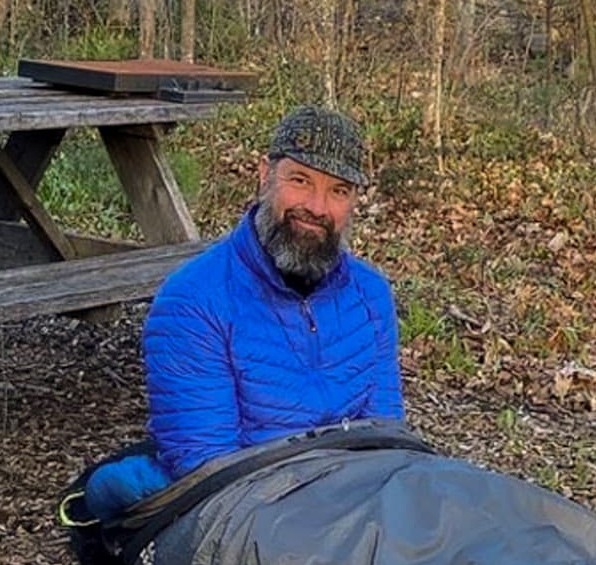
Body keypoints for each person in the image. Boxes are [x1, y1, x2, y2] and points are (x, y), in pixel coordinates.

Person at [82, 105, 405, 519]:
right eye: (300, 180)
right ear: (265, 175)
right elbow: (210, 471)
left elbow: (386, 441)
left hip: (347, 503)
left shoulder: (371, 295)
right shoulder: (194, 301)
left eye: (338, 191)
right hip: (248, 509)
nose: (318, 207)